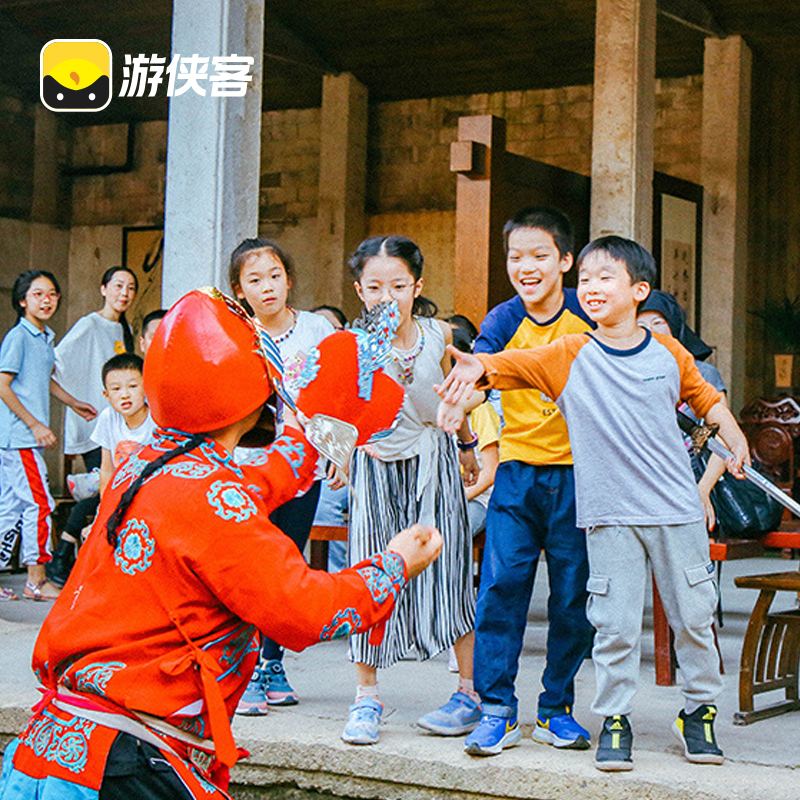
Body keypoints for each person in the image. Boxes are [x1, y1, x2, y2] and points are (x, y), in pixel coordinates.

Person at [0, 288, 442, 800]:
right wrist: (394, 565)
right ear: (257, 398)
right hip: (126, 764)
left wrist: (316, 433)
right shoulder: (212, 498)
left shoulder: (137, 465)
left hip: (54, 748)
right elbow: (304, 609)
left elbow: (251, 484)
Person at [437, 235, 751, 771]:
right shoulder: (569, 354)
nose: (591, 287)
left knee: (695, 618)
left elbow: (704, 399)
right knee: (615, 625)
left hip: (675, 509)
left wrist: (734, 435)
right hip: (609, 515)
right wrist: (477, 369)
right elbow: (510, 364)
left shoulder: (668, 352)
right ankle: (615, 719)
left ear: (639, 291)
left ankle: (698, 711)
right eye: (585, 279)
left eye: (606, 277)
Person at [457, 207, 595, 757]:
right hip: (516, 474)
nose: (527, 267)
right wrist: (460, 401)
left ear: (565, 260)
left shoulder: (589, 312)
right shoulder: (504, 316)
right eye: (516, 257)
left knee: (572, 598)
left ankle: (557, 708)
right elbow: (479, 366)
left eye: (540, 256)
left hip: (581, 476)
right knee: (500, 589)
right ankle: (496, 710)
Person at [341, 234, 480, 746]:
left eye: (398, 285)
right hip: (375, 464)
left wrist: (468, 445)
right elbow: (332, 411)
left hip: (434, 459)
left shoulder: (439, 333)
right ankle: (367, 696)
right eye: (375, 287)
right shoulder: (351, 345)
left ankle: (467, 690)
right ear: (359, 290)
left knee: (450, 572)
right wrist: (339, 456)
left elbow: (460, 396)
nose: (387, 296)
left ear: (417, 285)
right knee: (370, 573)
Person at [229, 238, 335, 709]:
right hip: (244, 471)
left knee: (286, 563)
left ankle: (272, 662)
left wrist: (339, 451)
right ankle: (243, 666)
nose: (267, 286)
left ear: (288, 279)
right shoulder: (233, 333)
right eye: (254, 279)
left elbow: (336, 395)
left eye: (274, 275)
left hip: (301, 468)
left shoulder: (315, 329)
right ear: (239, 289)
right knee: (250, 567)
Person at [0, 271, 96, 602]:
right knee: (39, 504)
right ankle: (37, 581)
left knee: (11, 509)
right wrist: (35, 425)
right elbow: (3, 385)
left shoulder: (43, 337)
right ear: (23, 301)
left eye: (52, 294)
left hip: (22, 439)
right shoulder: (19, 337)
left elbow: (42, 380)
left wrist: (74, 403)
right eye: (38, 294)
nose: (47, 300)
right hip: (19, 438)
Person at [48, 267, 139, 588]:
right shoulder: (89, 324)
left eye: (130, 288)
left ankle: (74, 557)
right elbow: (55, 363)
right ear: (103, 288)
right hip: (95, 426)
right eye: (117, 286)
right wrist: (74, 402)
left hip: (119, 424)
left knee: (115, 490)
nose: (123, 293)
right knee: (107, 488)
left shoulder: (123, 329)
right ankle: (63, 552)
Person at [310, 304, 349, 573]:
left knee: (326, 501)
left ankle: (337, 576)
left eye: (332, 330)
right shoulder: (305, 373)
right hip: (309, 469)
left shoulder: (354, 369)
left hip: (352, 467)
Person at [92, 354, 156, 497]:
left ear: (146, 387)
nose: (125, 395)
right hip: (122, 493)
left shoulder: (157, 418)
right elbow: (107, 469)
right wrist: (105, 507)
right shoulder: (108, 418)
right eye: (116, 389)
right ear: (106, 395)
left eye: (132, 386)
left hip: (153, 494)